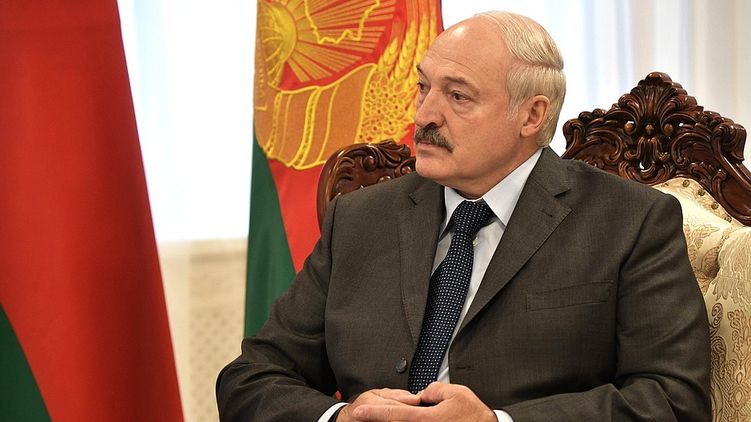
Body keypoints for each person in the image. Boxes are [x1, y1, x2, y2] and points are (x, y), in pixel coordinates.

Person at [217, 11, 710, 421]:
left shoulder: (630, 222)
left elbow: (673, 400)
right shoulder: (360, 218)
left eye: (457, 96)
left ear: (532, 115)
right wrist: (340, 417)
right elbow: (250, 378)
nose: (424, 115)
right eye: (423, 87)